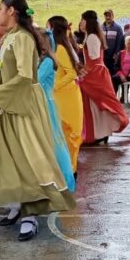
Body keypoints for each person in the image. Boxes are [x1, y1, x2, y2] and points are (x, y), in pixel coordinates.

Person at [0, 0, 76, 241]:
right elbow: (8, 74)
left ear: (11, 11)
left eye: (0, 9)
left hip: (24, 105)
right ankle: (17, 205)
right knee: (9, 158)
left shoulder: (24, 38)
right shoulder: (9, 37)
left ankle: (31, 216)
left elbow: (25, 78)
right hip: (10, 105)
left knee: (29, 160)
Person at [77, 10, 129, 145]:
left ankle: (99, 133)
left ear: (88, 22)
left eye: (82, 20)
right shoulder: (91, 36)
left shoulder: (91, 37)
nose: (80, 23)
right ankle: (100, 133)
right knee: (97, 106)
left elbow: (93, 58)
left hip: (95, 74)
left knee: (96, 105)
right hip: (96, 73)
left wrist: (82, 72)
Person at [37, 31, 77, 195]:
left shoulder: (47, 62)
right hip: (42, 104)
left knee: (54, 142)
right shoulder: (43, 60)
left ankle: (64, 180)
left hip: (45, 106)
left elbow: (35, 80)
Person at [48, 16, 84, 175]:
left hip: (66, 95)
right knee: (62, 132)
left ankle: (70, 169)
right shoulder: (59, 47)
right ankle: (66, 168)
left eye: (48, 27)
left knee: (69, 133)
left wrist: (54, 86)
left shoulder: (61, 49)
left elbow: (71, 73)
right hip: (62, 94)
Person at [101, 9, 124, 77]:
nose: (108, 17)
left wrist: (116, 54)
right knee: (104, 75)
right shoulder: (100, 28)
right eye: (106, 16)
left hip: (113, 57)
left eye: (109, 15)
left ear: (113, 16)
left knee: (112, 75)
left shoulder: (118, 28)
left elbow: (119, 43)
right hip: (103, 57)